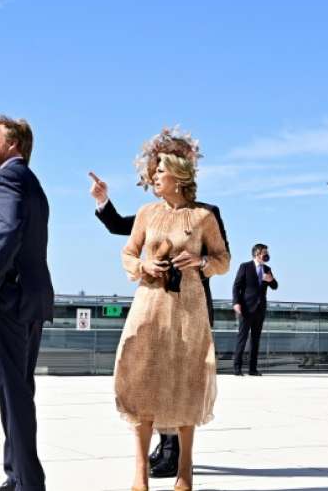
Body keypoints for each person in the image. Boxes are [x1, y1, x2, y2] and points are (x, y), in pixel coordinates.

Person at [88, 170, 229, 480]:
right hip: (153, 304)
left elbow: (221, 258)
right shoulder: (150, 213)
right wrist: (103, 201)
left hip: (190, 305)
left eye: (162, 170)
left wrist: (201, 264)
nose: (154, 176)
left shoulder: (207, 214)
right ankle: (164, 453)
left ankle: (175, 457)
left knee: (181, 378)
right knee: (152, 375)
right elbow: (122, 229)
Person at [0, 115, 54, 491]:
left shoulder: (5, 178)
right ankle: (15, 474)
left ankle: (29, 483)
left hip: (7, 297)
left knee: (13, 392)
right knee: (18, 388)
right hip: (29, 295)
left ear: (13, 144)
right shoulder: (29, 181)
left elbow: (11, 228)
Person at [232, 243, 278, 376]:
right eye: (264, 252)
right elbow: (236, 286)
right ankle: (237, 368)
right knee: (242, 337)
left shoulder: (267, 269)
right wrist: (236, 303)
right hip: (246, 308)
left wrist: (271, 279)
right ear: (257, 254)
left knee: (256, 340)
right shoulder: (245, 267)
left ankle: (253, 369)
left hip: (260, 309)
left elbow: (275, 286)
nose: (267, 255)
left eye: (267, 252)